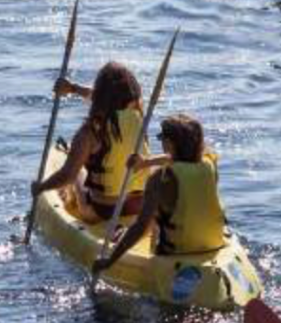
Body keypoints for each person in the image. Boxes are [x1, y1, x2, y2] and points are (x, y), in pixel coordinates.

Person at [93, 113, 230, 272]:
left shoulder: (159, 178)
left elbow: (141, 227)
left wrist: (110, 261)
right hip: (214, 243)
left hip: (176, 252)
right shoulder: (209, 163)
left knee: (156, 216)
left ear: (169, 143)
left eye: (161, 137)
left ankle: (121, 235)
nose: (161, 141)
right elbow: (177, 159)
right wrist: (146, 162)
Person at [31, 61, 159, 221]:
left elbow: (67, 176)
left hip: (104, 210)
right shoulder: (138, 111)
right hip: (139, 204)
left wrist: (41, 187)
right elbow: (110, 98)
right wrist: (73, 88)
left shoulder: (89, 133)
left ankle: (79, 200)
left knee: (77, 172)